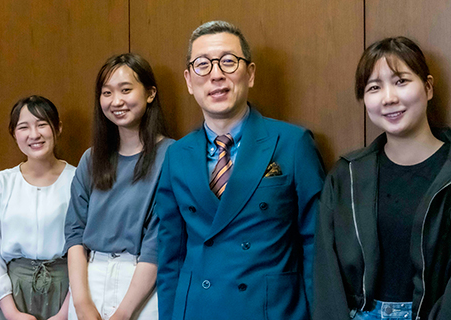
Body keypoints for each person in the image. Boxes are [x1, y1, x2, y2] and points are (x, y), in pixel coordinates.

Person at [155, 20, 325, 320]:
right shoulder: (176, 155)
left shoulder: (293, 143)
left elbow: (316, 244)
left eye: (228, 62)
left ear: (250, 73)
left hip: (271, 310)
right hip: (197, 310)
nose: (216, 75)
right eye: (202, 65)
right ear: (188, 80)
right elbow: (170, 256)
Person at [314, 36, 451, 320]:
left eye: (401, 81)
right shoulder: (346, 175)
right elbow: (326, 273)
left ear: (427, 87)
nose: (389, 98)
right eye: (374, 87)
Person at [64, 53, 173, 320]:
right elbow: (74, 233)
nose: (116, 101)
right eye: (107, 92)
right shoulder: (91, 158)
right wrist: (81, 304)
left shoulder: (172, 155)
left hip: (142, 286)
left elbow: (157, 243)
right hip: (88, 280)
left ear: (150, 94)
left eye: (126, 90)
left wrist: (123, 313)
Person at [0, 95, 76, 320]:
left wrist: (65, 313)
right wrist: (11, 313)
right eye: (24, 127)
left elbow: (87, 250)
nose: (34, 135)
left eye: (42, 124)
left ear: (58, 127)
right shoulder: (1, 182)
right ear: (14, 134)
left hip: (66, 292)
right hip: (13, 294)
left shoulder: (78, 180)